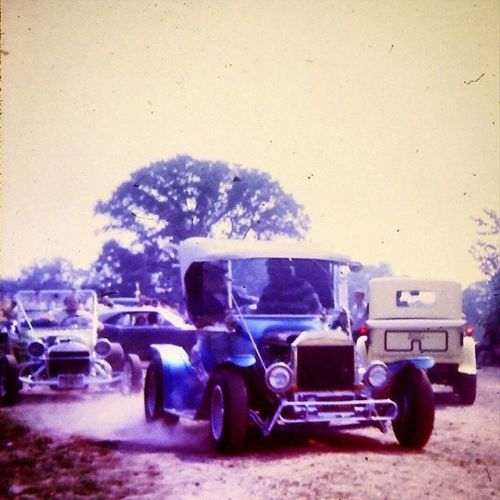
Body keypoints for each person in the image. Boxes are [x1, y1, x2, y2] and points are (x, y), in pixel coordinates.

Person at [257, 259, 321, 315]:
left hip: (300, 326)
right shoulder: (268, 291)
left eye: (274, 270)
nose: (270, 274)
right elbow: (260, 313)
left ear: (286, 270)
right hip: (274, 327)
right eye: (269, 271)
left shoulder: (302, 286)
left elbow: (316, 308)